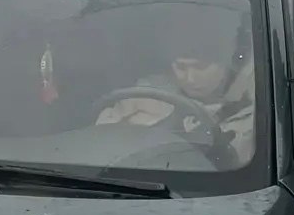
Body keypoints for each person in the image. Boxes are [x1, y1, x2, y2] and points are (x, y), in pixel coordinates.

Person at [96, 24, 255, 165]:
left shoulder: (252, 109)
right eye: (181, 67)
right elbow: (102, 143)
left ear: (225, 63)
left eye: (200, 67)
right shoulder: (146, 95)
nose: (190, 78)